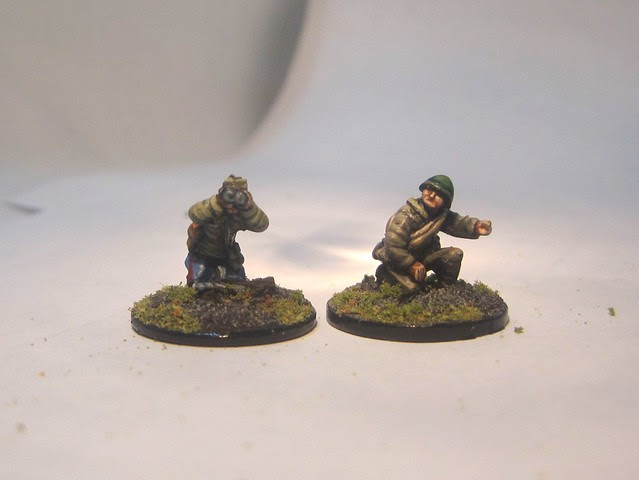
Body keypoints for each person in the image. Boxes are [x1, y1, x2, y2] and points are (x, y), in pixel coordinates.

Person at [372, 174, 492, 292]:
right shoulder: (405, 215)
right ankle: (385, 273)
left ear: (445, 201)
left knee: (454, 255)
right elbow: (393, 245)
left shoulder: (440, 215)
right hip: (397, 260)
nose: (432, 195)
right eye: (429, 190)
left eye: (439, 194)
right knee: (412, 289)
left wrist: (475, 226)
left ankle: (444, 291)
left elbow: (457, 223)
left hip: (423, 256)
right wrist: (411, 264)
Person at [185, 175, 269, 287]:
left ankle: (221, 277)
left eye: (240, 197)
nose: (233, 201)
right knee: (200, 277)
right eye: (229, 195)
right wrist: (217, 203)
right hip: (203, 253)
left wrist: (249, 208)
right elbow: (194, 213)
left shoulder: (239, 216)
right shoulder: (211, 210)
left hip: (227, 256)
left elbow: (262, 225)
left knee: (237, 279)